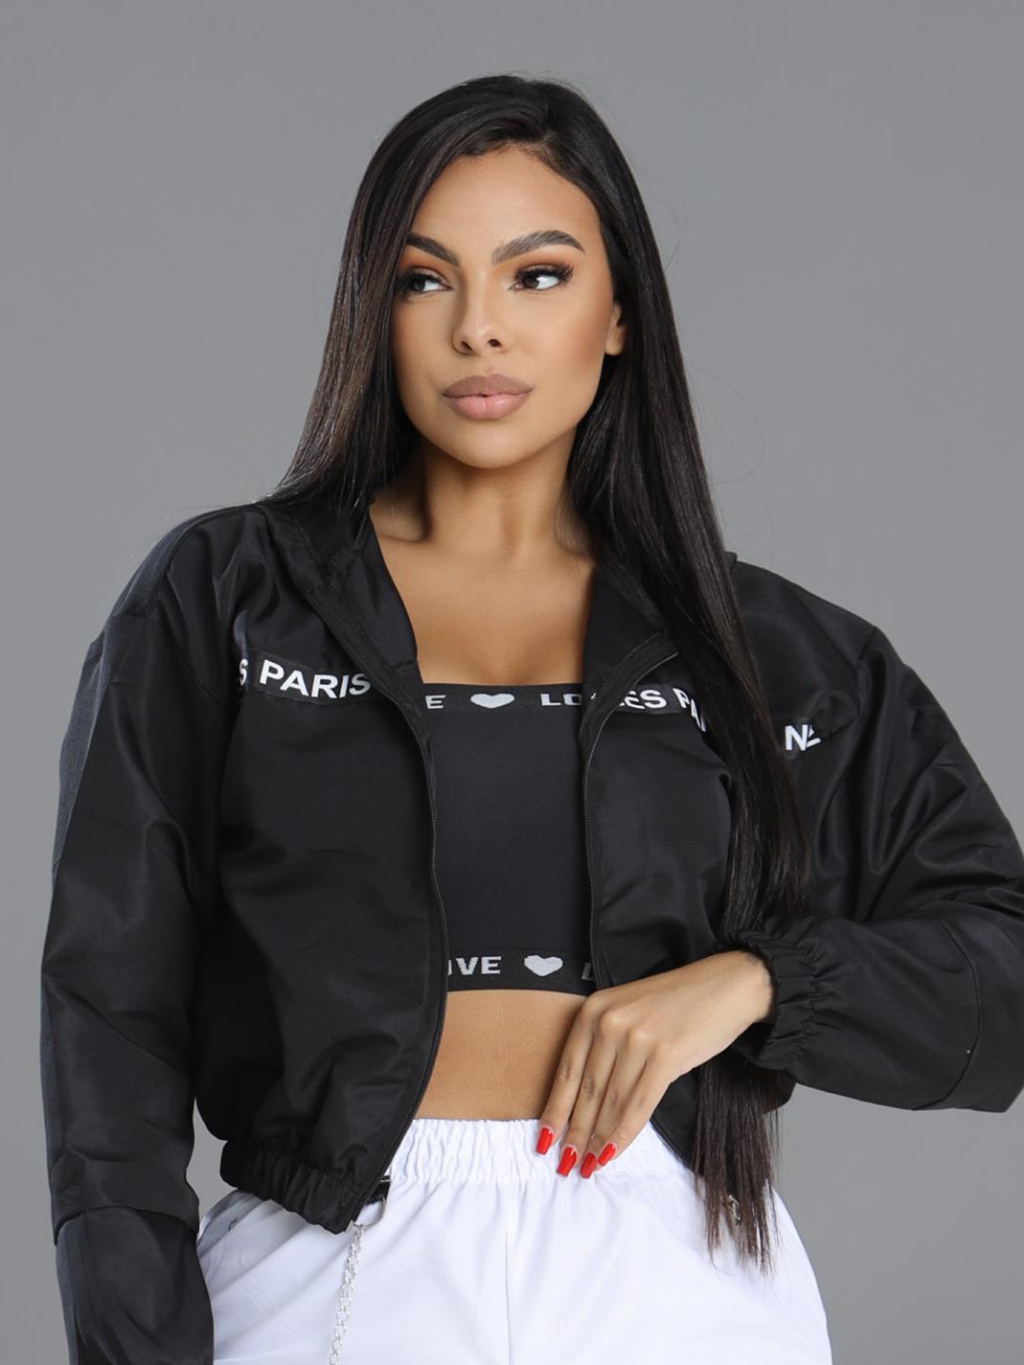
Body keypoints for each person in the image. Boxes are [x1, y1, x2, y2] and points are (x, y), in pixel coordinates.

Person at [40, 73, 1024, 1365]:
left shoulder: (769, 653)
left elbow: (1000, 971)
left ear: (618, 314)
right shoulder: (224, 601)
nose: (479, 330)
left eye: (537, 275)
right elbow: (108, 1008)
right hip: (329, 1274)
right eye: (425, 279)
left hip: (676, 1279)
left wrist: (756, 982)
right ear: (374, 311)